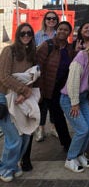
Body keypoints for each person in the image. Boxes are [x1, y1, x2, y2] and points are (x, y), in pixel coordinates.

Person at [60, 30, 89, 172]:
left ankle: (80, 154)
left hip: (84, 98)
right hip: (70, 99)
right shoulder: (82, 56)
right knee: (82, 130)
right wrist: (74, 103)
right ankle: (70, 158)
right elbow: (73, 80)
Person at [0, 23, 37, 182]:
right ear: (17, 35)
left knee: (26, 136)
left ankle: (13, 164)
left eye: (29, 33)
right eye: (23, 33)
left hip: (21, 99)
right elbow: (4, 77)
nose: (26, 36)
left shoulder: (30, 53)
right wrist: (25, 90)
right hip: (4, 97)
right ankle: (5, 168)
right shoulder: (9, 51)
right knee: (13, 137)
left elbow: (30, 77)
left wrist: (26, 92)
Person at [36, 21, 75, 152]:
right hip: (48, 88)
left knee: (60, 116)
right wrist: (40, 88)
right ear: (56, 30)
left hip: (63, 88)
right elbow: (37, 67)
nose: (62, 32)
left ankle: (67, 143)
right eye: (60, 29)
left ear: (69, 33)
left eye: (66, 30)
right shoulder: (47, 45)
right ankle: (67, 144)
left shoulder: (70, 48)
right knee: (57, 116)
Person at [34, 11, 60, 142]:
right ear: (44, 20)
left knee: (54, 103)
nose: (51, 20)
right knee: (42, 103)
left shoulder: (59, 34)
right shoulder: (38, 35)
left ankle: (54, 127)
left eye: (54, 18)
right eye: (49, 18)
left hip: (55, 73)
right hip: (41, 73)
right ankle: (41, 128)